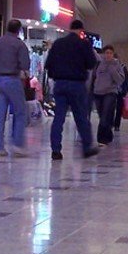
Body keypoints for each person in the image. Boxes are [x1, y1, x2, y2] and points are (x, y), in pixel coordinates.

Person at [45, 18, 99, 160]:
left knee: (59, 118)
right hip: (76, 85)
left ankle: (55, 150)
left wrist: (56, 77)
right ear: (81, 30)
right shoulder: (83, 44)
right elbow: (91, 63)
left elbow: (48, 65)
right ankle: (87, 147)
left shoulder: (58, 44)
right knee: (81, 117)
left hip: (60, 84)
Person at [0, 19, 31, 157]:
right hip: (12, 79)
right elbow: (25, 64)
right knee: (20, 112)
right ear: (19, 30)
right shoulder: (19, 44)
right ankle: (17, 145)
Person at [92, 45, 125, 146]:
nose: (108, 55)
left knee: (105, 115)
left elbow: (120, 80)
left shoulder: (116, 65)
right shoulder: (99, 64)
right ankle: (108, 135)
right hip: (98, 92)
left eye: (110, 53)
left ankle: (101, 139)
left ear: (113, 54)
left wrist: (112, 70)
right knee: (102, 115)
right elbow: (94, 77)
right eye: (106, 53)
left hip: (110, 92)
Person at [113, 54, 128, 132]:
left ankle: (117, 125)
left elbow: (126, 79)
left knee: (119, 108)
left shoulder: (123, 67)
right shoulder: (109, 67)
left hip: (121, 91)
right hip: (112, 90)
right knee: (110, 108)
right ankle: (111, 123)